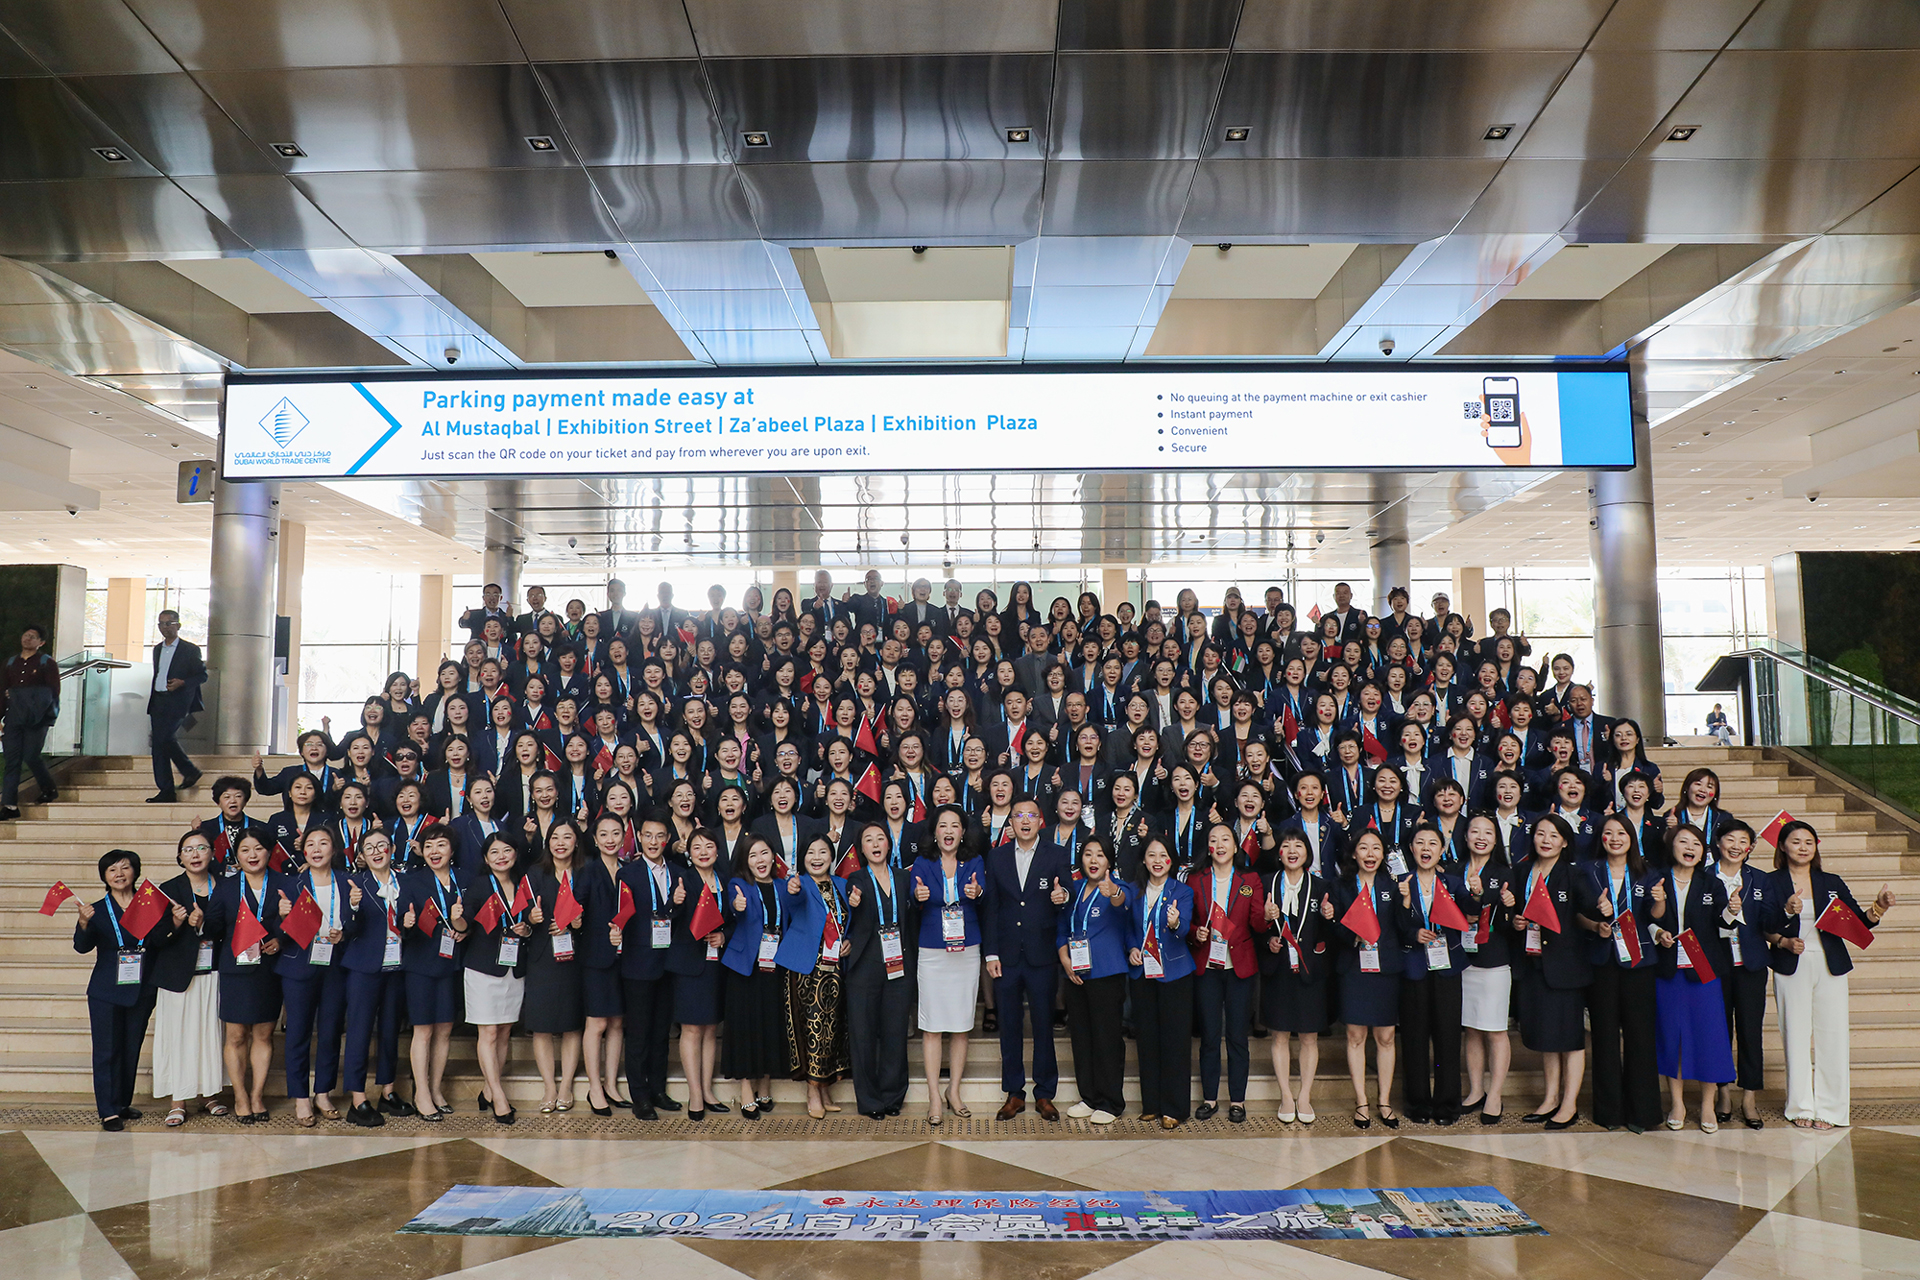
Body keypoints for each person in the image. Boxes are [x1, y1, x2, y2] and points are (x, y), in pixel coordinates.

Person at [1763, 820, 1897, 1129]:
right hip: (1791, 963)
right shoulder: (1770, 881)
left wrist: (1878, 907)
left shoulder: (1831, 881)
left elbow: (1857, 922)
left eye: (1809, 842)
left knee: (1833, 1035)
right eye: (1796, 841)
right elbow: (1763, 925)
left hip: (1830, 964)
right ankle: (1800, 1107)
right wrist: (1786, 920)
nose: (1803, 847)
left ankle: (1831, 1109)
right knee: (1795, 1034)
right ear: (1782, 846)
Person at [980, 797, 1072, 1121]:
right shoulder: (997, 856)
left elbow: (1068, 893)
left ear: (1040, 821)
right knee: (1009, 1026)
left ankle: (1045, 1093)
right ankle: (1014, 1093)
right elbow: (991, 907)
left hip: (1042, 954)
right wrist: (991, 952)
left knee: (1044, 1026)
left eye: (1031, 815)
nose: (1025, 820)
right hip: (1006, 956)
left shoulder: (1056, 854)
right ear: (1011, 823)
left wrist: (1063, 896)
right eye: (1018, 815)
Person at [1577, 813, 1663, 1133]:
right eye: (1609, 833)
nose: (1615, 839)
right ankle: (1609, 1111)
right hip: (1601, 961)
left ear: (1631, 838)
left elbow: (1656, 915)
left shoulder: (1647, 872)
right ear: (1600, 838)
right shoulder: (1588, 871)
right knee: (1604, 1036)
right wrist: (1595, 925)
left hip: (1639, 961)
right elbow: (1577, 915)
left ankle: (1643, 1112)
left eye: (1621, 833)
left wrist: (1659, 902)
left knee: (1640, 1037)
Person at [73, 849, 170, 1130]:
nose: (119, 874)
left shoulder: (150, 905)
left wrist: (175, 923)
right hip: (106, 991)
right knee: (107, 1050)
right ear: (104, 876)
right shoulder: (96, 910)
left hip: (141, 988)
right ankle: (108, 1110)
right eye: (112, 869)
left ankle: (122, 1102)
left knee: (131, 1047)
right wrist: (83, 923)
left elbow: (160, 942)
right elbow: (82, 947)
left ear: (135, 871)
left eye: (125, 868)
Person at [1651, 823, 1737, 1133]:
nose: (1690, 848)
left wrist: (1732, 910)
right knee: (1671, 1036)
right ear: (1672, 846)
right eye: (1683, 842)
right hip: (1668, 970)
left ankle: (1707, 1104)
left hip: (1704, 971)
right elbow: (1647, 918)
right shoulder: (1657, 878)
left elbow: (1723, 926)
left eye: (1696, 844)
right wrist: (1658, 932)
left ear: (1703, 852)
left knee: (1708, 1037)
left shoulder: (1711, 883)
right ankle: (1677, 1103)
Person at [1505, 814, 1590, 1130]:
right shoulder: (1522, 870)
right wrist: (1515, 920)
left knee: (1570, 1038)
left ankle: (1569, 1104)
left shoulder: (1574, 873)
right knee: (1547, 1036)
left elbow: (1587, 910)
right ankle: (1550, 1098)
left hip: (1565, 967)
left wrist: (1602, 909)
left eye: (1554, 835)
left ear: (1565, 842)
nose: (1546, 840)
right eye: (1541, 833)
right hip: (1532, 964)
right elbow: (1514, 914)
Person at [910, 805, 985, 1124]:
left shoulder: (975, 861)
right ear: (935, 832)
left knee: (961, 1024)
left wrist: (977, 891)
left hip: (966, 950)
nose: (949, 831)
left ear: (963, 832)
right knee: (932, 1026)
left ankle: (953, 1091)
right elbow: (913, 896)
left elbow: (983, 894)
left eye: (955, 825)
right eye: (943, 825)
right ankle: (933, 1097)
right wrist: (918, 895)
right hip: (932, 950)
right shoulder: (922, 862)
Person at [202, 831, 284, 1123]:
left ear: (268, 852)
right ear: (236, 855)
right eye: (245, 849)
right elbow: (213, 928)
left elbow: (298, 924)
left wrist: (280, 939)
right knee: (236, 1035)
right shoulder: (225, 887)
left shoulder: (284, 884)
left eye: (258, 848)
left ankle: (257, 1095)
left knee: (263, 1034)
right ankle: (240, 1096)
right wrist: (201, 921)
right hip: (235, 969)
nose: (252, 855)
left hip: (269, 970)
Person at [1187, 821, 1265, 1124]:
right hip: (1207, 966)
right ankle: (1209, 1098)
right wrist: (1196, 933)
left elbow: (1257, 924)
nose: (1219, 845)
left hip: (1239, 967)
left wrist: (1267, 914)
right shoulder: (1196, 879)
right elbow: (1189, 922)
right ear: (1208, 848)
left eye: (1225, 839)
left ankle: (1237, 1101)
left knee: (1236, 1036)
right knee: (1209, 1036)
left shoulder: (1250, 879)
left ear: (1235, 846)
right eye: (1214, 840)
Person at [278, 827, 355, 1127]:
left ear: (333, 849)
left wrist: (345, 932)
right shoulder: (290, 883)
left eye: (323, 843)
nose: (317, 849)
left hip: (335, 964)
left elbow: (359, 922)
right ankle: (300, 1096)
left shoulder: (348, 882)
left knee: (331, 1030)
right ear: (304, 851)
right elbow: (276, 928)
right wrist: (282, 915)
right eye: (310, 844)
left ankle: (323, 1092)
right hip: (299, 966)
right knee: (298, 1032)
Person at [844, 822, 920, 1119]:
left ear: (889, 844)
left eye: (880, 839)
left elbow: (913, 916)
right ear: (861, 849)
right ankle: (870, 1100)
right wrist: (853, 900)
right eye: (869, 840)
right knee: (863, 1036)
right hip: (865, 966)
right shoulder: (856, 879)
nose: (875, 844)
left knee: (895, 1032)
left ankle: (892, 1095)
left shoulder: (904, 878)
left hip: (899, 965)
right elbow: (852, 899)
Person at [1329, 828, 1403, 1129]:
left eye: (1376, 848)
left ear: (1383, 854)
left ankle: (1384, 1101)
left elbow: (1402, 926)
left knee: (1386, 1037)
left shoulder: (1393, 885)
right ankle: (1361, 1101)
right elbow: (1334, 929)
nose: (1370, 854)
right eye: (1363, 847)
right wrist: (1347, 931)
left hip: (1385, 969)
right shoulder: (1340, 886)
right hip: (1354, 968)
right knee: (1355, 1036)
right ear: (1354, 853)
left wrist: (1407, 903)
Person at [339, 829, 414, 1126]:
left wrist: (409, 923)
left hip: (397, 966)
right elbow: (348, 929)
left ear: (392, 849)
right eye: (369, 847)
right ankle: (358, 1099)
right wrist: (354, 906)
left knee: (390, 1030)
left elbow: (412, 921)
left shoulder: (406, 882)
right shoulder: (355, 884)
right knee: (359, 1031)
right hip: (363, 967)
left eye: (382, 845)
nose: (376, 851)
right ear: (362, 855)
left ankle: (388, 1091)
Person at [153, 829, 227, 1125]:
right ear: (180, 857)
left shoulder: (225, 886)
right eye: (188, 849)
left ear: (212, 853)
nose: (195, 854)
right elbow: (155, 937)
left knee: (209, 1034)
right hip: (178, 974)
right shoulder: (168, 889)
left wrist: (204, 924)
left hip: (214, 971)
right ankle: (178, 1100)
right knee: (179, 1035)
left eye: (202, 848)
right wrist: (176, 922)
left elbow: (230, 926)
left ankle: (209, 1094)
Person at [1058, 836, 1133, 1124]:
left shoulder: (1118, 886)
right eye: (1088, 854)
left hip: (1107, 974)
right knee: (1081, 1036)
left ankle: (1111, 1102)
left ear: (1109, 861)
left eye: (1100, 855)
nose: (1093, 860)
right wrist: (1064, 958)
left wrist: (1114, 891)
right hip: (1075, 973)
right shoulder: (1074, 889)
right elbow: (1062, 927)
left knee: (1106, 1039)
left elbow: (1122, 902)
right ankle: (1089, 1097)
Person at [1397, 824, 1467, 1125]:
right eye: (1420, 842)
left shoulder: (1453, 882)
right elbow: (1395, 925)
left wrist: (1476, 892)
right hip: (1413, 968)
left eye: (1432, 843)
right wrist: (1413, 930)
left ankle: (1447, 1105)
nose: (1426, 848)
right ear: (1412, 849)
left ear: (1441, 850)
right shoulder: (1401, 882)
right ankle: (1417, 1104)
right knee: (1414, 1038)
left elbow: (1470, 910)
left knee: (1447, 1038)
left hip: (1447, 968)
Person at [778, 835, 851, 1119]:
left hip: (836, 971)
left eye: (823, 852)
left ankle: (824, 1087)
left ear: (832, 857)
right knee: (812, 1030)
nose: (817, 857)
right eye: (811, 852)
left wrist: (851, 941)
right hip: (806, 969)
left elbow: (850, 922)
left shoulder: (843, 885)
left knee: (832, 1030)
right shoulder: (798, 884)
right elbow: (792, 901)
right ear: (803, 858)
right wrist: (793, 888)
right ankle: (812, 1091)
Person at [399, 825, 468, 1121]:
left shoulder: (464, 879)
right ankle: (422, 1094)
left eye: (441, 845)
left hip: (452, 963)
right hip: (421, 964)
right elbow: (402, 923)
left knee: (445, 1029)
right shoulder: (412, 881)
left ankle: (437, 1089)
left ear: (452, 850)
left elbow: (472, 920)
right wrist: (407, 923)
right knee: (424, 1030)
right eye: (428, 846)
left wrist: (464, 929)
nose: (434, 851)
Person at [616, 816, 683, 1121]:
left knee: (661, 1032)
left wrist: (678, 903)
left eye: (660, 836)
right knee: (639, 1033)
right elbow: (622, 916)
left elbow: (682, 916)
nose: (654, 842)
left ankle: (658, 1090)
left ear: (667, 839)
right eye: (648, 836)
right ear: (639, 838)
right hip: (638, 963)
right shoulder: (627, 874)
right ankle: (640, 1096)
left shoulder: (679, 873)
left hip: (669, 963)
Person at [1261, 832, 1329, 1124]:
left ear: (1307, 853)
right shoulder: (1267, 883)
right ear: (1279, 852)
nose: (1292, 850)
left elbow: (1329, 934)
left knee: (1309, 1036)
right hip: (1278, 970)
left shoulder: (1321, 886)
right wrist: (1268, 933)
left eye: (1298, 845)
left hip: (1309, 970)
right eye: (1286, 845)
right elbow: (1255, 928)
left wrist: (1329, 916)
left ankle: (1304, 1096)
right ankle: (1286, 1096)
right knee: (1279, 1035)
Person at [465, 833, 532, 1124]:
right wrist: (457, 918)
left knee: (504, 1031)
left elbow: (530, 921)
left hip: (513, 967)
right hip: (483, 968)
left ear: (515, 853)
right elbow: (465, 921)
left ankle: (487, 1091)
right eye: (494, 852)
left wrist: (527, 929)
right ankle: (499, 1097)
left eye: (506, 850)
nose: (501, 856)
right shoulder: (480, 885)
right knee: (489, 1033)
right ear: (485, 858)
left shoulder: (523, 884)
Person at [1130, 836, 1196, 1130]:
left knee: (1175, 1041)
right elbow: (1128, 929)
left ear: (1172, 860)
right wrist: (1131, 948)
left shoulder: (1182, 891)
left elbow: (1184, 930)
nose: (1157, 860)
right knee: (1147, 1038)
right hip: (1142, 973)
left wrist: (1175, 923)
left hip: (1175, 974)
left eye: (1163, 855)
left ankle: (1174, 1107)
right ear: (1144, 860)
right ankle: (1152, 1104)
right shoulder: (1135, 890)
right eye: (1151, 855)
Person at [722, 837, 789, 1119]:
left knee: (771, 1024)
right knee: (745, 1027)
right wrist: (736, 905)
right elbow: (733, 906)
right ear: (745, 861)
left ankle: (765, 1083)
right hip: (745, 967)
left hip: (774, 966)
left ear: (774, 857)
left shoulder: (784, 886)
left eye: (764, 853)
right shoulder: (739, 885)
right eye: (753, 855)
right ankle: (746, 1088)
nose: (760, 860)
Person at [525, 821, 589, 1114]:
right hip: (543, 957)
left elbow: (596, 914)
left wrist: (578, 923)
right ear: (547, 842)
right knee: (542, 1026)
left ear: (576, 842)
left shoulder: (586, 873)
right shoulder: (535, 873)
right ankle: (549, 1086)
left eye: (567, 837)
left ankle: (566, 1086)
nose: (560, 843)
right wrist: (532, 918)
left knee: (571, 1023)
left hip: (576, 957)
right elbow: (522, 914)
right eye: (555, 837)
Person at [1711, 820, 1771, 1129]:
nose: (1736, 846)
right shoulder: (1704, 877)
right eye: (1730, 839)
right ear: (1718, 842)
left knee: (1750, 1031)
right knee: (1719, 1031)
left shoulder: (1760, 879)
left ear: (1751, 847)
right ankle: (1723, 1093)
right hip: (1715, 967)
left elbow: (1770, 921)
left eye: (1743, 841)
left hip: (1751, 966)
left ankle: (1749, 1097)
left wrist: (1788, 911)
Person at [1458, 814, 1513, 1124]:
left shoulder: (1504, 873)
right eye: (1475, 831)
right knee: (1472, 1029)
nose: (1481, 837)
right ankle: (1476, 1090)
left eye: (1488, 832)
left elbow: (1511, 922)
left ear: (1496, 839)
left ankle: (1495, 1094)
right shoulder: (1453, 869)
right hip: (1462, 961)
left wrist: (1508, 905)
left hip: (1493, 962)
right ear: (1465, 837)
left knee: (1495, 1030)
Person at [671, 828, 729, 1120]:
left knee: (709, 1028)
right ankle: (694, 1093)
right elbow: (669, 918)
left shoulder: (727, 881)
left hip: (717, 965)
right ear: (689, 853)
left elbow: (734, 921)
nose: (703, 852)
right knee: (692, 1029)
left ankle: (707, 1090)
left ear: (717, 850)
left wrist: (724, 936)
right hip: (689, 966)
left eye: (709, 846)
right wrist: (676, 902)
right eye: (697, 847)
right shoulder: (683, 880)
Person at [0, 622, 60, 820]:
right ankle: (9, 805)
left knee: (31, 755)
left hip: (37, 718)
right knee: (12, 760)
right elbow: (3, 691)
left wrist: (44, 714)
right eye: (26, 635)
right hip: (14, 717)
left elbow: (53, 692)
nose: (27, 639)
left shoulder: (46, 663)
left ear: (41, 642)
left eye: (33, 637)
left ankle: (48, 788)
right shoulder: (10, 663)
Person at [146, 609, 206, 803]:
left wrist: (183, 683)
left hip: (178, 701)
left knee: (163, 739)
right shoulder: (157, 649)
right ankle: (170, 787)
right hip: (158, 700)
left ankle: (185, 775)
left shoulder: (190, 650)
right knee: (160, 744)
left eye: (168, 623)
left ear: (178, 625)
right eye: (161, 624)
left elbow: (202, 675)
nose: (164, 627)